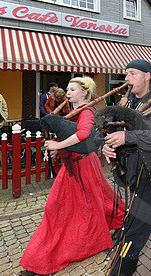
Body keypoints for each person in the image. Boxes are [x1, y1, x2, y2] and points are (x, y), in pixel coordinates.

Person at [20, 76, 125, 274]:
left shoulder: (87, 112)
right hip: (78, 164)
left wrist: (58, 145)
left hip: (82, 165)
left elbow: (84, 134)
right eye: (67, 89)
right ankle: (119, 218)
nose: (67, 92)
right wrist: (57, 148)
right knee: (95, 198)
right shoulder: (73, 112)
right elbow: (72, 137)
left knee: (62, 207)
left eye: (72, 89)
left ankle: (46, 258)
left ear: (84, 93)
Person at [102, 59, 151, 276]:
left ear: (147, 76)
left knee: (136, 226)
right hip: (131, 169)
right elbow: (108, 126)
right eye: (126, 73)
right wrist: (106, 146)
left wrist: (127, 136)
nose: (127, 78)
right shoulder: (126, 102)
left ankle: (121, 271)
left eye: (132, 73)